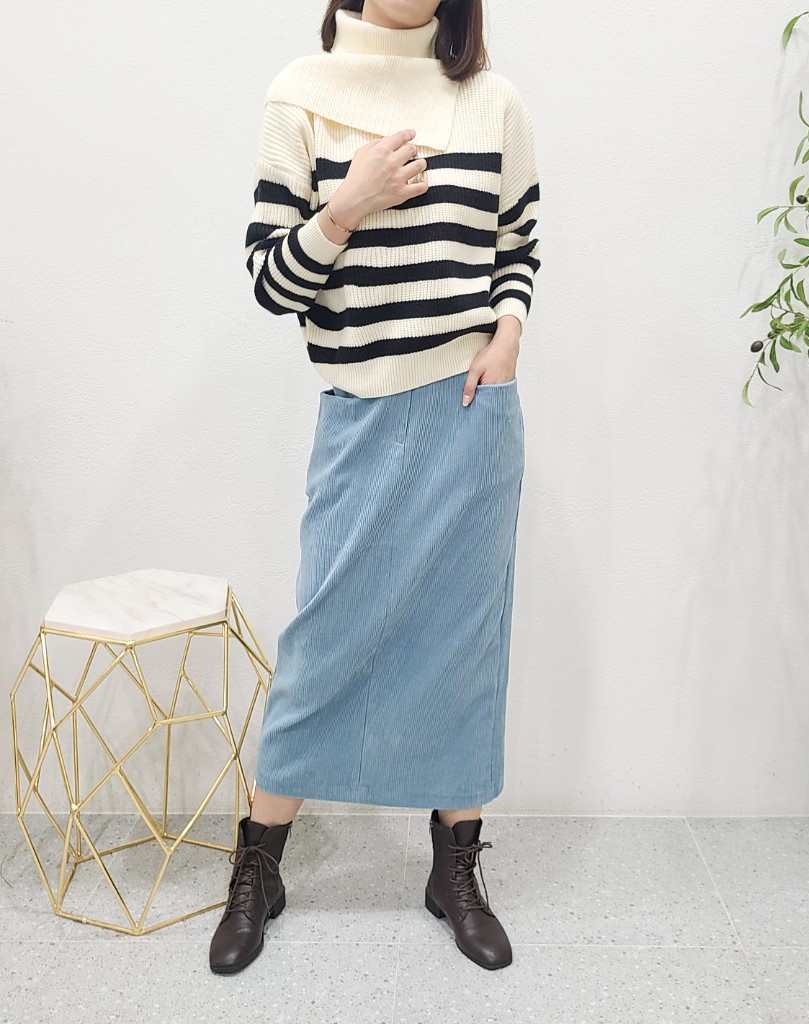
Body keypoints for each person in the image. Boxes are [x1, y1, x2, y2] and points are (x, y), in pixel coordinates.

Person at [209, 0, 540, 975]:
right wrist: (345, 206)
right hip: (359, 411)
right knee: (324, 642)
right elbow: (271, 282)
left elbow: (517, 243)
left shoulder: (492, 100)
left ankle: (455, 866)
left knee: (462, 643)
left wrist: (508, 335)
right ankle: (258, 865)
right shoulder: (302, 97)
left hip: (471, 413)